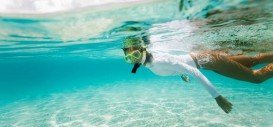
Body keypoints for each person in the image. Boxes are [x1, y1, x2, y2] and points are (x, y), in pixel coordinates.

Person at [122, 36, 273, 114]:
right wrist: (180, 73)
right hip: (207, 59)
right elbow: (176, 62)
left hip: (209, 61)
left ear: (142, 50)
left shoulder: (158, 62)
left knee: (256, 77)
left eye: (135, 54)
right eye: (129, 58)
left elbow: (193, 70)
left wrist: (217, 97)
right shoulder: (152, 59)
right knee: (254, 60)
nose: (133, 59)